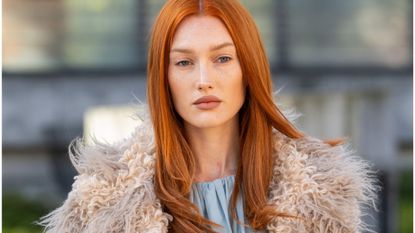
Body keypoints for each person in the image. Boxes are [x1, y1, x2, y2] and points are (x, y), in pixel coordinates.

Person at [38, 0, 378, 232]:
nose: (204, 80)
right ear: (164, 77)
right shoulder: (106, 196)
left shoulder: (320, 190)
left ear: (250, 69)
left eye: (223, 59)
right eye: (184, 62)